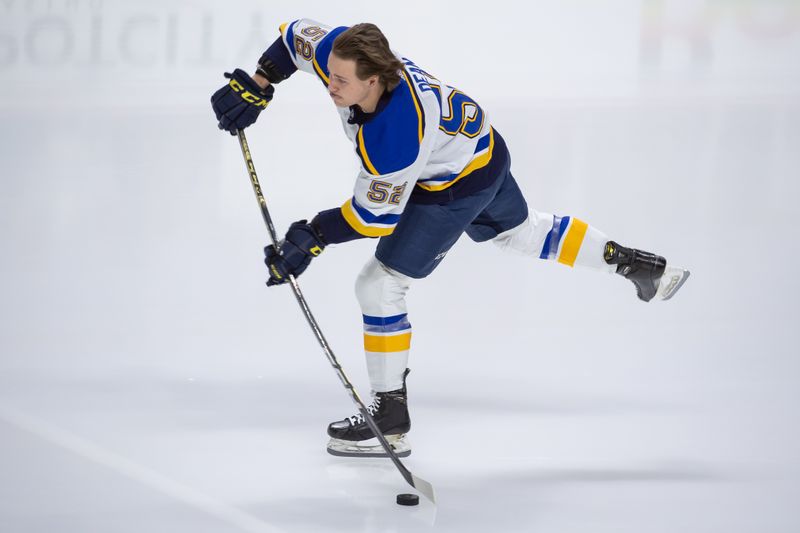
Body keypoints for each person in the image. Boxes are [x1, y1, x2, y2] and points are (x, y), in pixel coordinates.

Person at [211, 18, 690, 458]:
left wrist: (311, 236)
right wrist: (260, 83)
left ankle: (390, 418)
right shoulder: (342, 52)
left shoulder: (396, 135)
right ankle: (639, 264)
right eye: (329, 76)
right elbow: (297, 37)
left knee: (378, 285)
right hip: (485, 151)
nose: (330, 86)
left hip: (455, 185)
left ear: (374, 80)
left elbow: (373, 218)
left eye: (341, 82)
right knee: (524, 233)